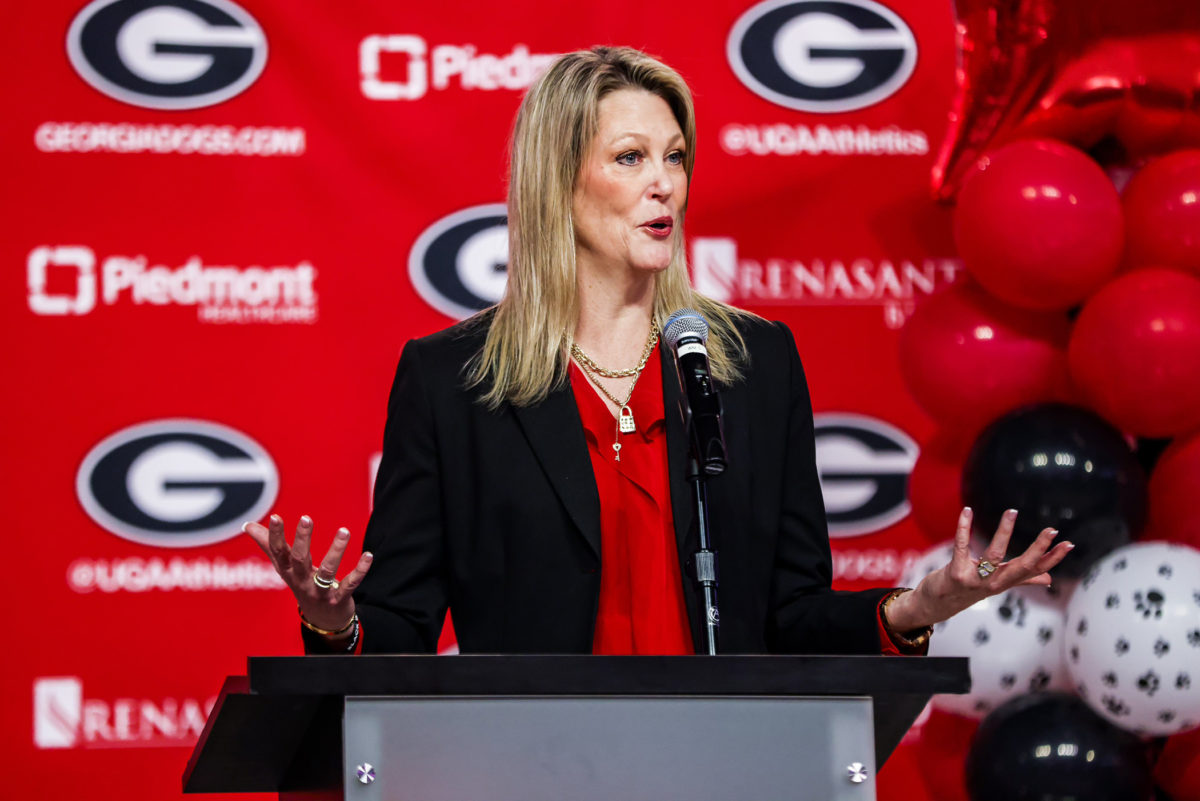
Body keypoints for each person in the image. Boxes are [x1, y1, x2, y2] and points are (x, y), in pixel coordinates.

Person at [243, 46, 1072, 656]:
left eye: (675, 157)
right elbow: (400, 631)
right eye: (631, 157)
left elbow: (791, 616)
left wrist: (913, 607)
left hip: (725, 764)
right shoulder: (454, 380)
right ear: (557, 182)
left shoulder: (754, 364)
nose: (665, 182)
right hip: (531, 769)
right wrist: (337, 623)